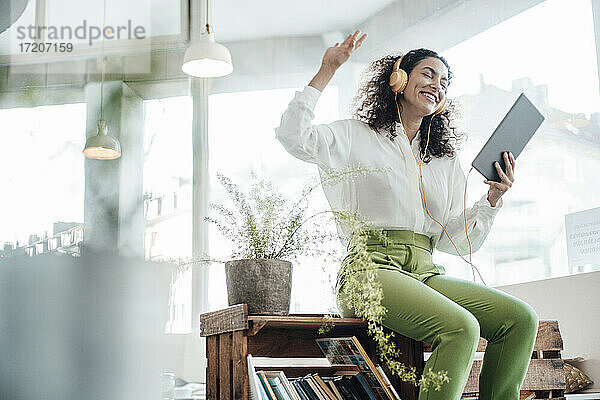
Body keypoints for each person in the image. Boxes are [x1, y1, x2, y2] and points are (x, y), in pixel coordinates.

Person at [275, 29, 539, 400]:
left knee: (520, 320)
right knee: (461, 327)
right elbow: (293, 135)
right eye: (428, 74)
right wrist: (327, 69)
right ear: (398, 79)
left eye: (443, 81)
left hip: (424, 270)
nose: (436, 84)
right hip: (368, 270)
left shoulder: (443, 160)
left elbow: (452, 239)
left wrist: (491, 199)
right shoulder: (355, 136)